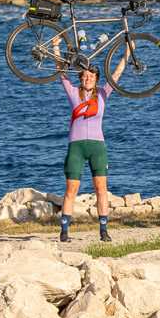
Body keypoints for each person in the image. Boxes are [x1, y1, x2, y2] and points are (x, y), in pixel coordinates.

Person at [58, 47, 127, 243]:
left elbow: (117, 73)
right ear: (80, 78)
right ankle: (64, 232)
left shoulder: (104, 93)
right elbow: (60, 70)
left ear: (97, 79)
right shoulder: (73, 92)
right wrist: (56, 46)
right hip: (76, 147)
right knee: (71, 188)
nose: (87, 78)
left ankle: (103, 231)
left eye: (91, 76)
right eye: (85, 75)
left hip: (97, 146)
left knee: (100, 188)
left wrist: (127, 53)